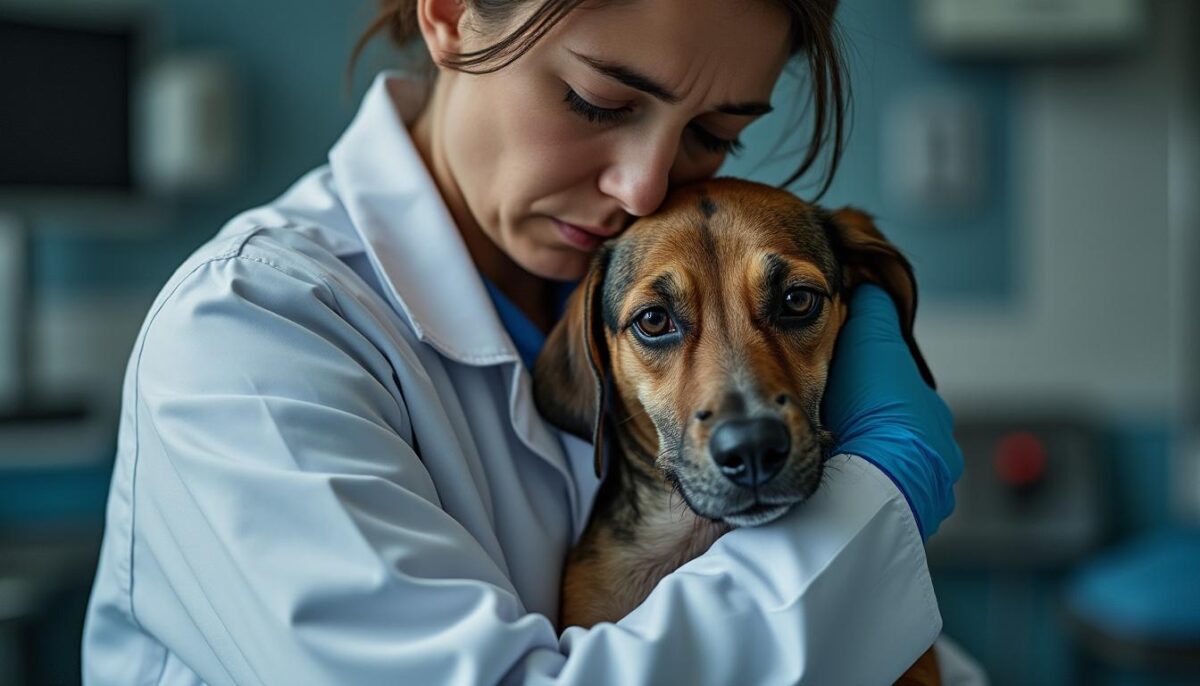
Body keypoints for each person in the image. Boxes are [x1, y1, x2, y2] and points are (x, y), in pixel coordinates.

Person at [82, 0, 963, 683]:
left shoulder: (612, 283)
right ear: (452, 17)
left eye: (713, 135)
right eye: (597, 101)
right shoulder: (250, 333)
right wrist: (873, 494)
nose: (642, 184)